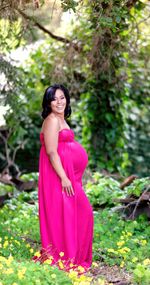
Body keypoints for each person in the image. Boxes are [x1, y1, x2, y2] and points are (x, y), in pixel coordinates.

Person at [35, 84, 94, 273]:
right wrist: (64, 178)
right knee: (75, 213)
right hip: (58, 176)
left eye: (62, 97)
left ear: (67, 99)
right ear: (48, 102)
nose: (59, 102)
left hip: (69, 176)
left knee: (79, 213)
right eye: (54, 98)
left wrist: (74, 175)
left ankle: (73, 255)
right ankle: (66, 256)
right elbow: (52, 152)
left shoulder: (61, 119)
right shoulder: (51, 120)